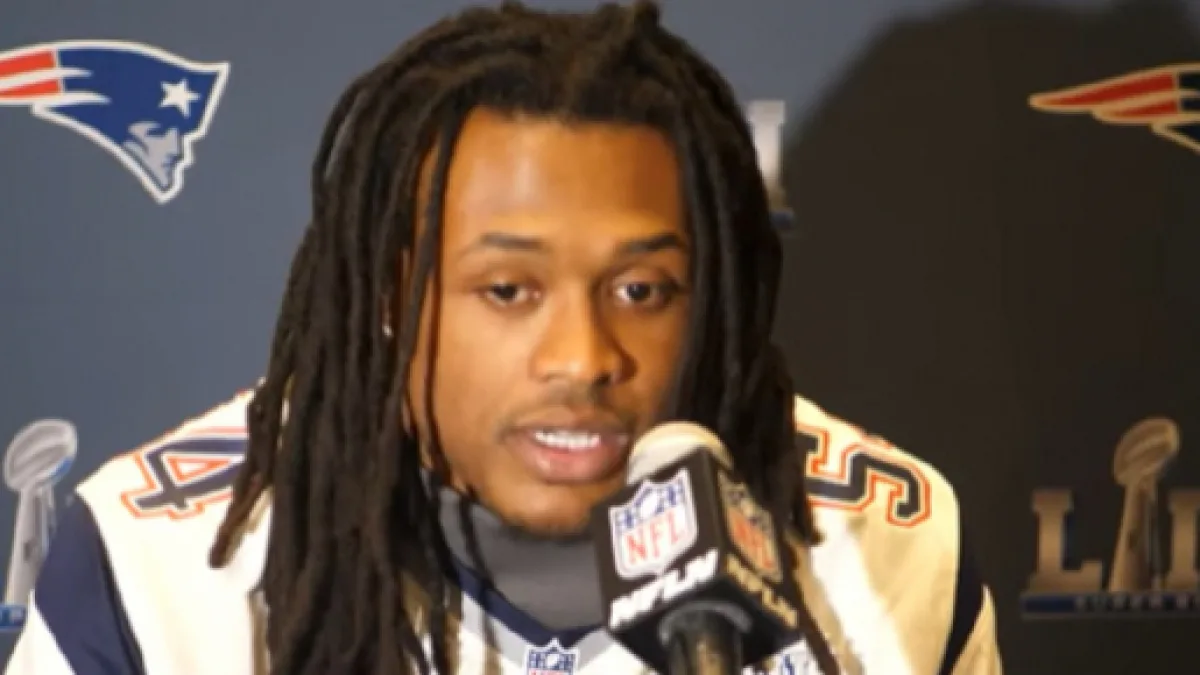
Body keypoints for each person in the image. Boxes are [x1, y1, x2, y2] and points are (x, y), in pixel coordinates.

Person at [4, 3, 1003, 674]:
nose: (584, 357)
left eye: (642, 288)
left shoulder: (887, 548)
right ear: (392, 293)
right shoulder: (150, 572)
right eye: (509, 289)